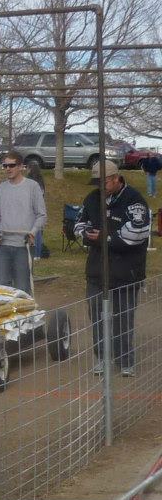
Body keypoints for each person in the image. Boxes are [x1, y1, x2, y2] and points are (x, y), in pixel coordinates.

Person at [73, 160, 150, 377]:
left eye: (104, 182)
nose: (100, 187)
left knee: (123, 318)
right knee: (97, 317)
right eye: (97, 183)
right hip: (97, 272)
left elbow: (137, 233)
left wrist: (105, 239)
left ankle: (125, 360)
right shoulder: (92, 198)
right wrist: (87, 234)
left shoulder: (134, 200)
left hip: (126, 273)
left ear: (116, 179)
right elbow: (78, 223)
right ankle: (101, 357)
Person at [0, 151, 46, 295]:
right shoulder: (1, 189)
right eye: (5, 166)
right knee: (0, 287)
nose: (8, 169)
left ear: (21, 167)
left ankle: (25, 317)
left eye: (11, 165)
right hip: (3, 245)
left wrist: (33, 231)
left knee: (23, 288)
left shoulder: (32, 187)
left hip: (23, 246)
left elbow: (41, 215)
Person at [25, 160, 47, 260]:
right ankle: (37, 253)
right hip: (39, 206)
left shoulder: (28, 180)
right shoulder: (41, 180)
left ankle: (33, 252)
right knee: (37, 230)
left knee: (32, 230)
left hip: (30, 207)